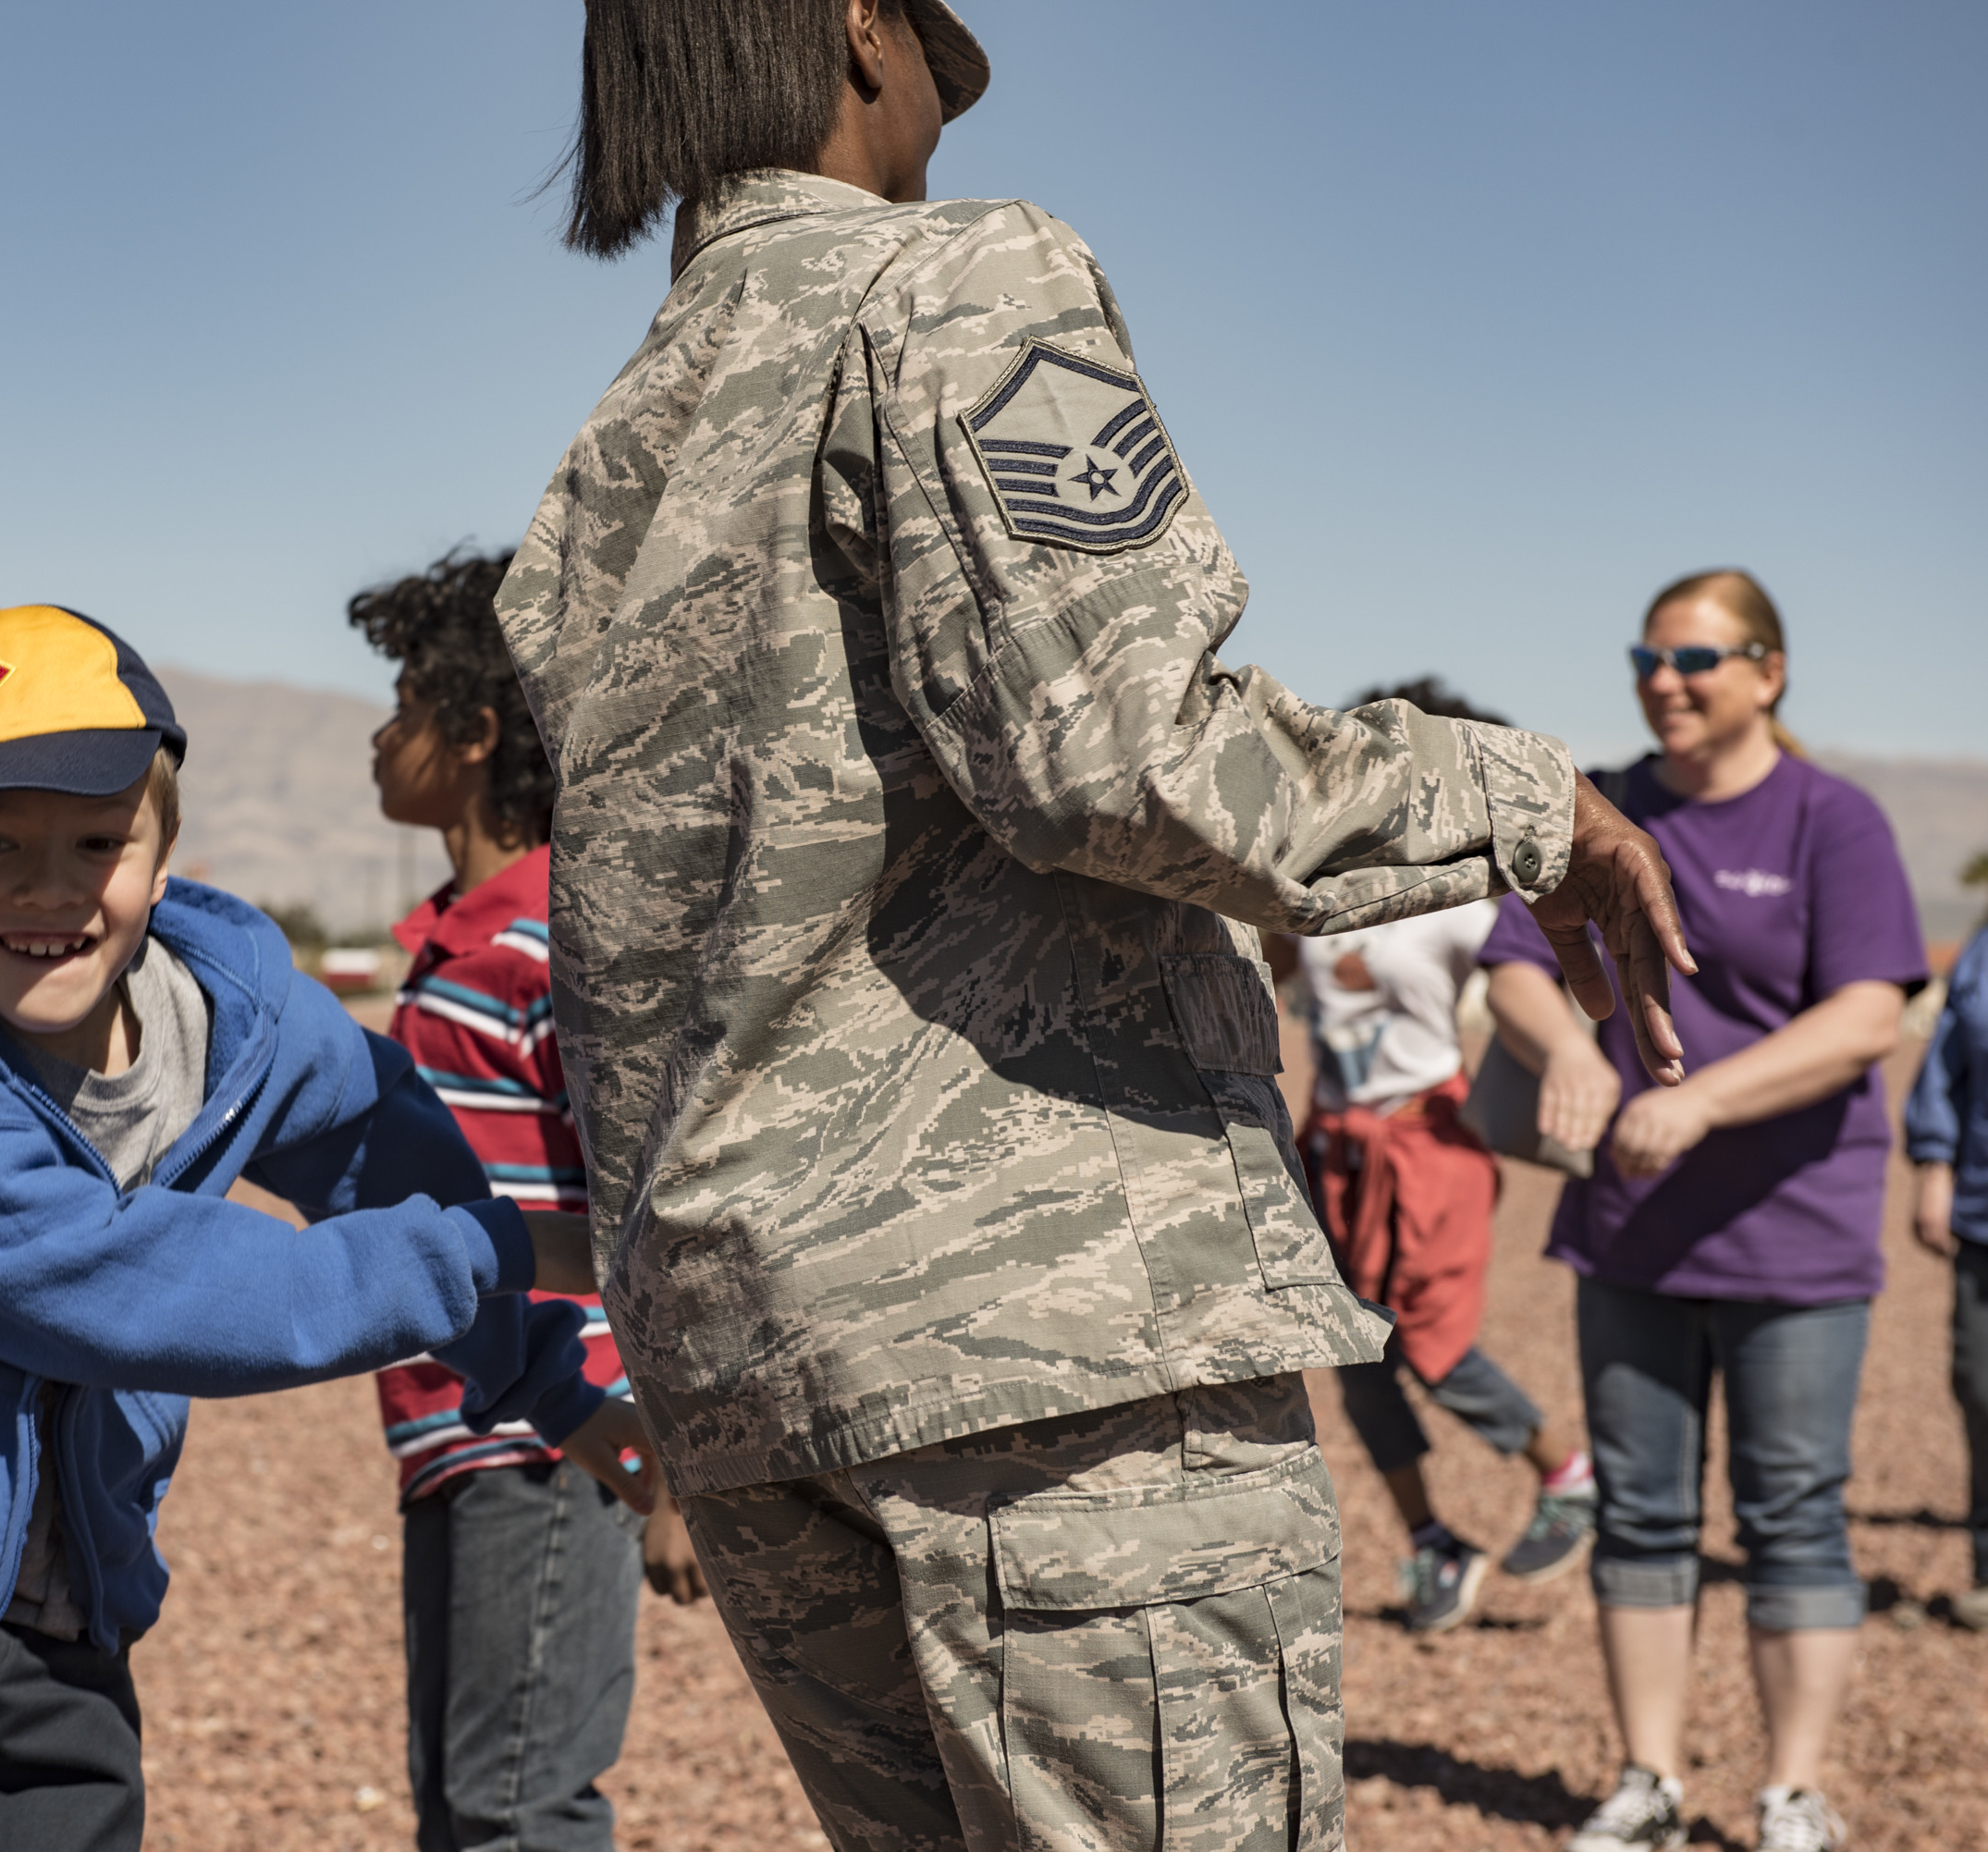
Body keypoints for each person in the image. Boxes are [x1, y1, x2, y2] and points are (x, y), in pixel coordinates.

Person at [496, 6, 1694, 1848]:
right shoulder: (956, 279)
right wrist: (1534, 802)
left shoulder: (611, 457)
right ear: (857, 26)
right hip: (1045, 1333)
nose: (943, 124)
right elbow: (1118, 745)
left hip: (751, 1361)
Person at [0, 605, 657, 1852]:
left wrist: (555, 1387)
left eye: (96, 839)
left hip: (66, 1620)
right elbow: (156, 1290)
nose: (47, 887)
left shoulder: (235, 1019)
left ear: (163, 852)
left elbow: (390, 1154)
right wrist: (504, 1246)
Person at [1480, 570, 1925, 1852]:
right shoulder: (1608, 812)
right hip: (1630, 1231)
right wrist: (1567, 1051)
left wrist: (1703, 1100)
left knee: (1792, 1507)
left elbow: (1867, 1016)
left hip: (1796, 1233)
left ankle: (1791, 1791)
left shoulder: (1832, 821)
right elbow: (1515, 962)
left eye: (1696, 658)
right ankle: (1649, 1780)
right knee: (1643, 1509)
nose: (1664, 680)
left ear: (1768, 671)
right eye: (1648, 657)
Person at [351, 549, 707, 1852]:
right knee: (457, 1799)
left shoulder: (553, 938)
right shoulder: (452, 939)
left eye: (401, 705)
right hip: (452, 1429)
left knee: (520, 1806)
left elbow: (653, 1195)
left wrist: (670, 1472)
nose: (378, 735)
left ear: (477, 731)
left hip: (553, 1434)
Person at [1279, 681, 1595, 1635]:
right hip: (1332, 1143)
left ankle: (1565, 1472)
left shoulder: (1465, 898)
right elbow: (1281, 967)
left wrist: (1572, 1060)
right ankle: (1433, 1543)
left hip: (1430, 1142)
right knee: (1358, 1360)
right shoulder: (1320, 882)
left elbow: (1526, 986)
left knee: (1433, 1342)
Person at [1906, 918, 1988, 1635]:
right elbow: (1945, 1062)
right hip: (1983, 1212)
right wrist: (1934, 1162)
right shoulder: (1982, 948)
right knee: (1981, 1384)